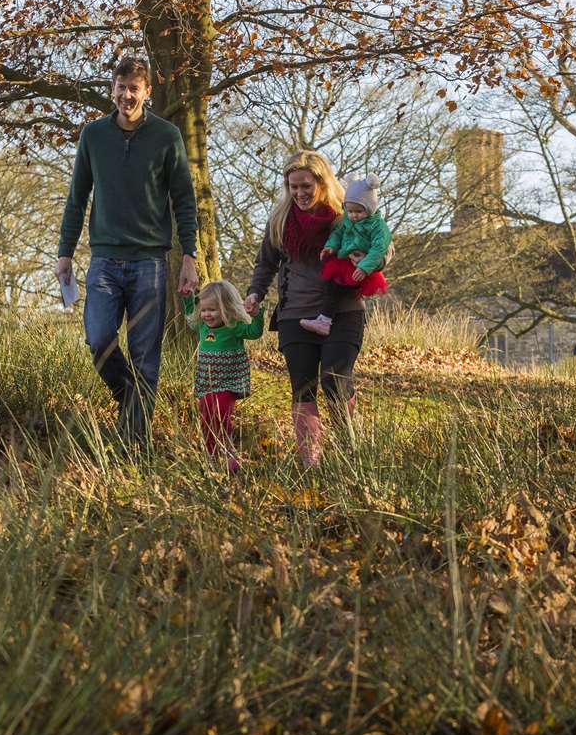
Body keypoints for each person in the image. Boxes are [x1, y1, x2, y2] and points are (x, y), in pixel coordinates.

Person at [54, 55, 200, 456]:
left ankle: (134, 442)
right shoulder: (93, 136)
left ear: (147, 92)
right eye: (120, 88)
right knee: (98, 337)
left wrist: (190, 254)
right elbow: (76, 197)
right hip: (104, 259)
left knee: (144, 355)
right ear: (112, 89)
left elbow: (185, 201)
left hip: (150, 261)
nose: (126, 95)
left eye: (134, 88)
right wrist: (64, 252)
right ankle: (132, 405)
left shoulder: (167, 137)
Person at [245, 151, 366, 467]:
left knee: (335, 380)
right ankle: (309, 463)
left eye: (306, 186)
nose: (299, 193)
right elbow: (266, 263)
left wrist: (373, 261)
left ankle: (350, 449)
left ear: (322, 183)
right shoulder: (280, 220)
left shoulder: (346, 216)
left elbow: (383, 243)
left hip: (343, 311)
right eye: (293, 186)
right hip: (295, 315)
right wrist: (255, 293)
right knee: (304, 387)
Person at [183, 280, 266, 474]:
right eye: (203, 310)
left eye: (212, 310)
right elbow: (190, 317)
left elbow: (254, 332)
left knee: (220, 414)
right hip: (207, 381)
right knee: (206, 417)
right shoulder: (202, 327)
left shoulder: (233, 326)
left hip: (229, 382)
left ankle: (229, 452)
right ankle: (211, 455)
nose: (206, 315)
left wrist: (257, 315)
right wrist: (188, 298)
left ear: (226, 307)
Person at [307, 174, 390, 334]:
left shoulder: (378, 227)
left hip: (363, 265)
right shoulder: (347, 220)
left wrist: (365, 266)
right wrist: (330, 247)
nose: (353, 215)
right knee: (331, 287)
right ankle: (324, 321)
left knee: (337, 289)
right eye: (350, 210)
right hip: (344, 260)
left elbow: (379, 248)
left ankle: (325, 321)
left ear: (370, 208)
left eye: (358, 211)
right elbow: (337, 234)